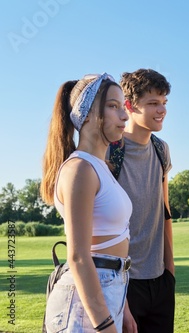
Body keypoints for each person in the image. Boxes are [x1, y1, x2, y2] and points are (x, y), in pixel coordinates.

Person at [40, 73, 132, 332]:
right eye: (113, 106)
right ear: (88, 113)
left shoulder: (100, 167)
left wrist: (123, 309)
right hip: (82, 305)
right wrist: (105, 324)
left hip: (110, 289)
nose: (124, 116)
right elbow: (80, 256)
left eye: (122, 107)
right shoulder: (80, 168)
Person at [107, 69, 175, 333]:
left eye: (164, 102)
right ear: (129, 105)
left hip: (160, 280)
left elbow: (165, 211)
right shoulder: (109, 150)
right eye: (153, 103)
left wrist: (170, 270)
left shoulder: (162, 150)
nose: (161, 110)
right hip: (122, 281)